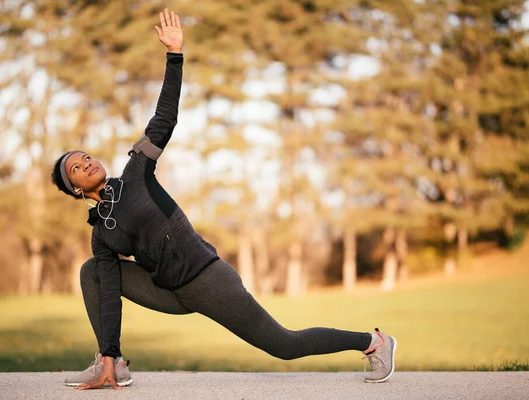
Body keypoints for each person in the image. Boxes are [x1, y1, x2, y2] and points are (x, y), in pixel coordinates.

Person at [51, 8, 397, 390]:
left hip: (208, 280)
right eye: (76, 169)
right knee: (93, 272)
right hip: (168, 290)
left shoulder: (136, 173)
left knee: (284, 344)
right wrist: (111, 348)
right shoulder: (102, 234)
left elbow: (164, 118)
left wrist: (175, 55)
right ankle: (110, 363)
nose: (85, 162)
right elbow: (109, 298)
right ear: (76, 190)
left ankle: (374, 343)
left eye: (84, 156)